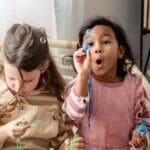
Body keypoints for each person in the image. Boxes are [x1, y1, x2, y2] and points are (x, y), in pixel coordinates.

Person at [63, 16, 150, 149]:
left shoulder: (134, 88)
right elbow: (70, 118)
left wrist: (140, 134)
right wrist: (82, 76)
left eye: (105, 41)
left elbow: (145, 120)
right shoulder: (80, 85)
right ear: (82, 53)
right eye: (90, 44)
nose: (97, 48)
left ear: (120, 51)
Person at [0, 23, 74, 149]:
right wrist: (5, 131)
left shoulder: (54, 100)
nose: (18, 87)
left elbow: (61, 141)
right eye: (11, 78)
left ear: (44, 66)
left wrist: (69, 145)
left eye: (28, 81)